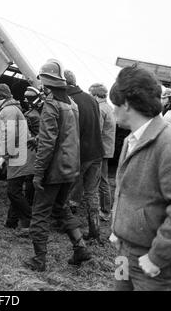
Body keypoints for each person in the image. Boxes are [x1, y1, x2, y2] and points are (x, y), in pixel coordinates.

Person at [109, 65, 171, 291]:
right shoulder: (131, 140)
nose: (112, 111)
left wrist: (157, 257)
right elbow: (124, 190)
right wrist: (117, 228)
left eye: (115, 104)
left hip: (153, 268)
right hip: (123, 253)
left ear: (127, 104)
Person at [23, 59, 91, 272]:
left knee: (40, 214)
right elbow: (67, 134)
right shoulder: (72, 103)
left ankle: (39, 260)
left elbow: (49, 142)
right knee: (61, 209)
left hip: (54, 169)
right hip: (71, 166)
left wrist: (38, 172)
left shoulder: (52, 104)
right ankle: (80, 248)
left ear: (45, 82)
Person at [65, 70, 104, 241]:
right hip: (97, 152)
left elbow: (71, 131)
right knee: (91, 193)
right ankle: (95, 230)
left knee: (65, 190)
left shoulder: (70, 101)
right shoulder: (91, 98)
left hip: (81, 154)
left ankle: (67, 225)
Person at [0, 83, 35, 234]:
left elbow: (9, 136)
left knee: (13, 192)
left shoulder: (7, 111)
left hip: (19, 156)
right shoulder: (14, 108)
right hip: (24, 154)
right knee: (15, 190)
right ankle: (11, 222)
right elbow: (5, 134)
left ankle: (28, 221)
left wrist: (3, 157)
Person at [89, 83, 116, 222]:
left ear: (95, 95)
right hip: (107, 149)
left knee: (102, 181)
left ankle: (105, 211)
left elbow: (96, 131)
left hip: (100, 150)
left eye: (90, 94)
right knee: (103, 180)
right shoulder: (109, 107)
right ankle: (105, 209)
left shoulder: (99, 109)